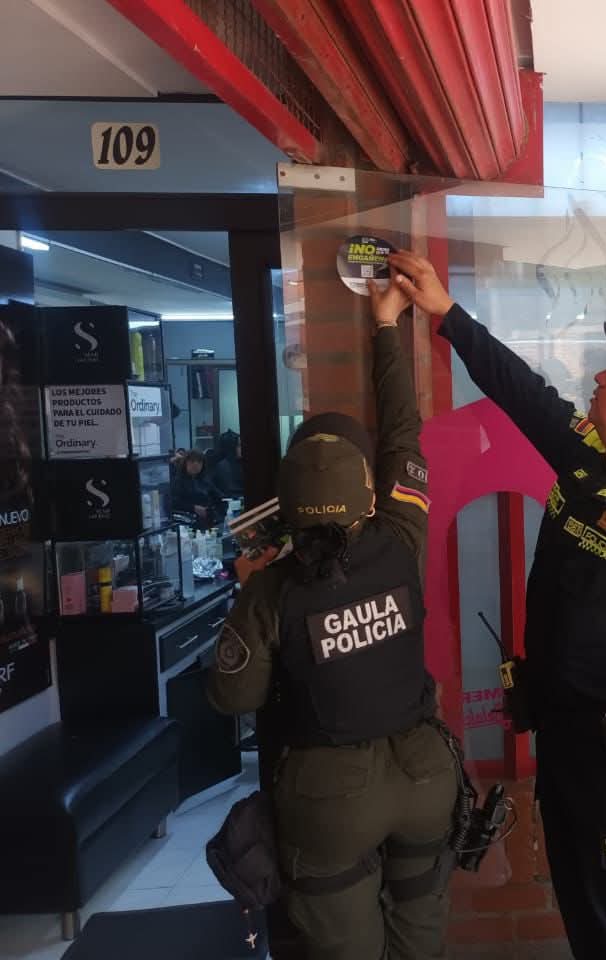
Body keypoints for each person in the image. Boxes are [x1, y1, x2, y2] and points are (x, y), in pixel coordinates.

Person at [385, 250, 606, 960]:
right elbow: (521, 390)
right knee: (589, 926)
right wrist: (447, 313)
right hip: (567, 750)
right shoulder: (586, 456)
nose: (600, 376)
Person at [206, 289, 457, 960]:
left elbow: (231, 695)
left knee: (346, 946)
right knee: (421, 932)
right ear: (369, 495)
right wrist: (385, 324)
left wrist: (247, 594)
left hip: (329, 796)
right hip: (425, 772)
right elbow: (403, 432)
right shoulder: (402, 536)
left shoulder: (272, 589)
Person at [172, 449, 225, 528]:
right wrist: (193, 508)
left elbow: (219, 496)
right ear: (185, 463)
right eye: (192, 461)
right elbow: (174, 503)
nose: (196, 464)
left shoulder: (205, 480)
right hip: (188, 520)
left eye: (199, 462)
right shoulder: (178, 481)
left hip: (208, 519)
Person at [210, 430, 244, 498]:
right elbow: (231, 491)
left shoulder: (240, 463)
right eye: (239, 445)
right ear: (231, 447)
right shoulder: (223, 466)